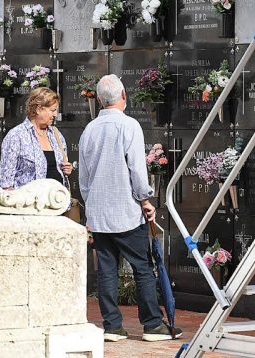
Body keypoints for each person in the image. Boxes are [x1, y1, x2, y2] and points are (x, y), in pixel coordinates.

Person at [79, 74, 182, 342]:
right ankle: (152, 325)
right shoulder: (129, 125)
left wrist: (91, 209)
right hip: (125, 210)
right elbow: (137, 168)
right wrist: (145, 199)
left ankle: (112, 326)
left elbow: (84, 178)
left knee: (107, 270)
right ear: (123, 95)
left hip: (99, 213)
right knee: (142, 268)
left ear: (100, 100)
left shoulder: (89, 130)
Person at [0, 87, 72, 189]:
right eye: (52, 110)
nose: (55, 114)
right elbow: (6, 181)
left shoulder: (56, 134)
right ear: (38, 109)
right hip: (28, 202)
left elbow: (58, 169)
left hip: (56, 200)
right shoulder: (16, 136)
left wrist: (66, 170)